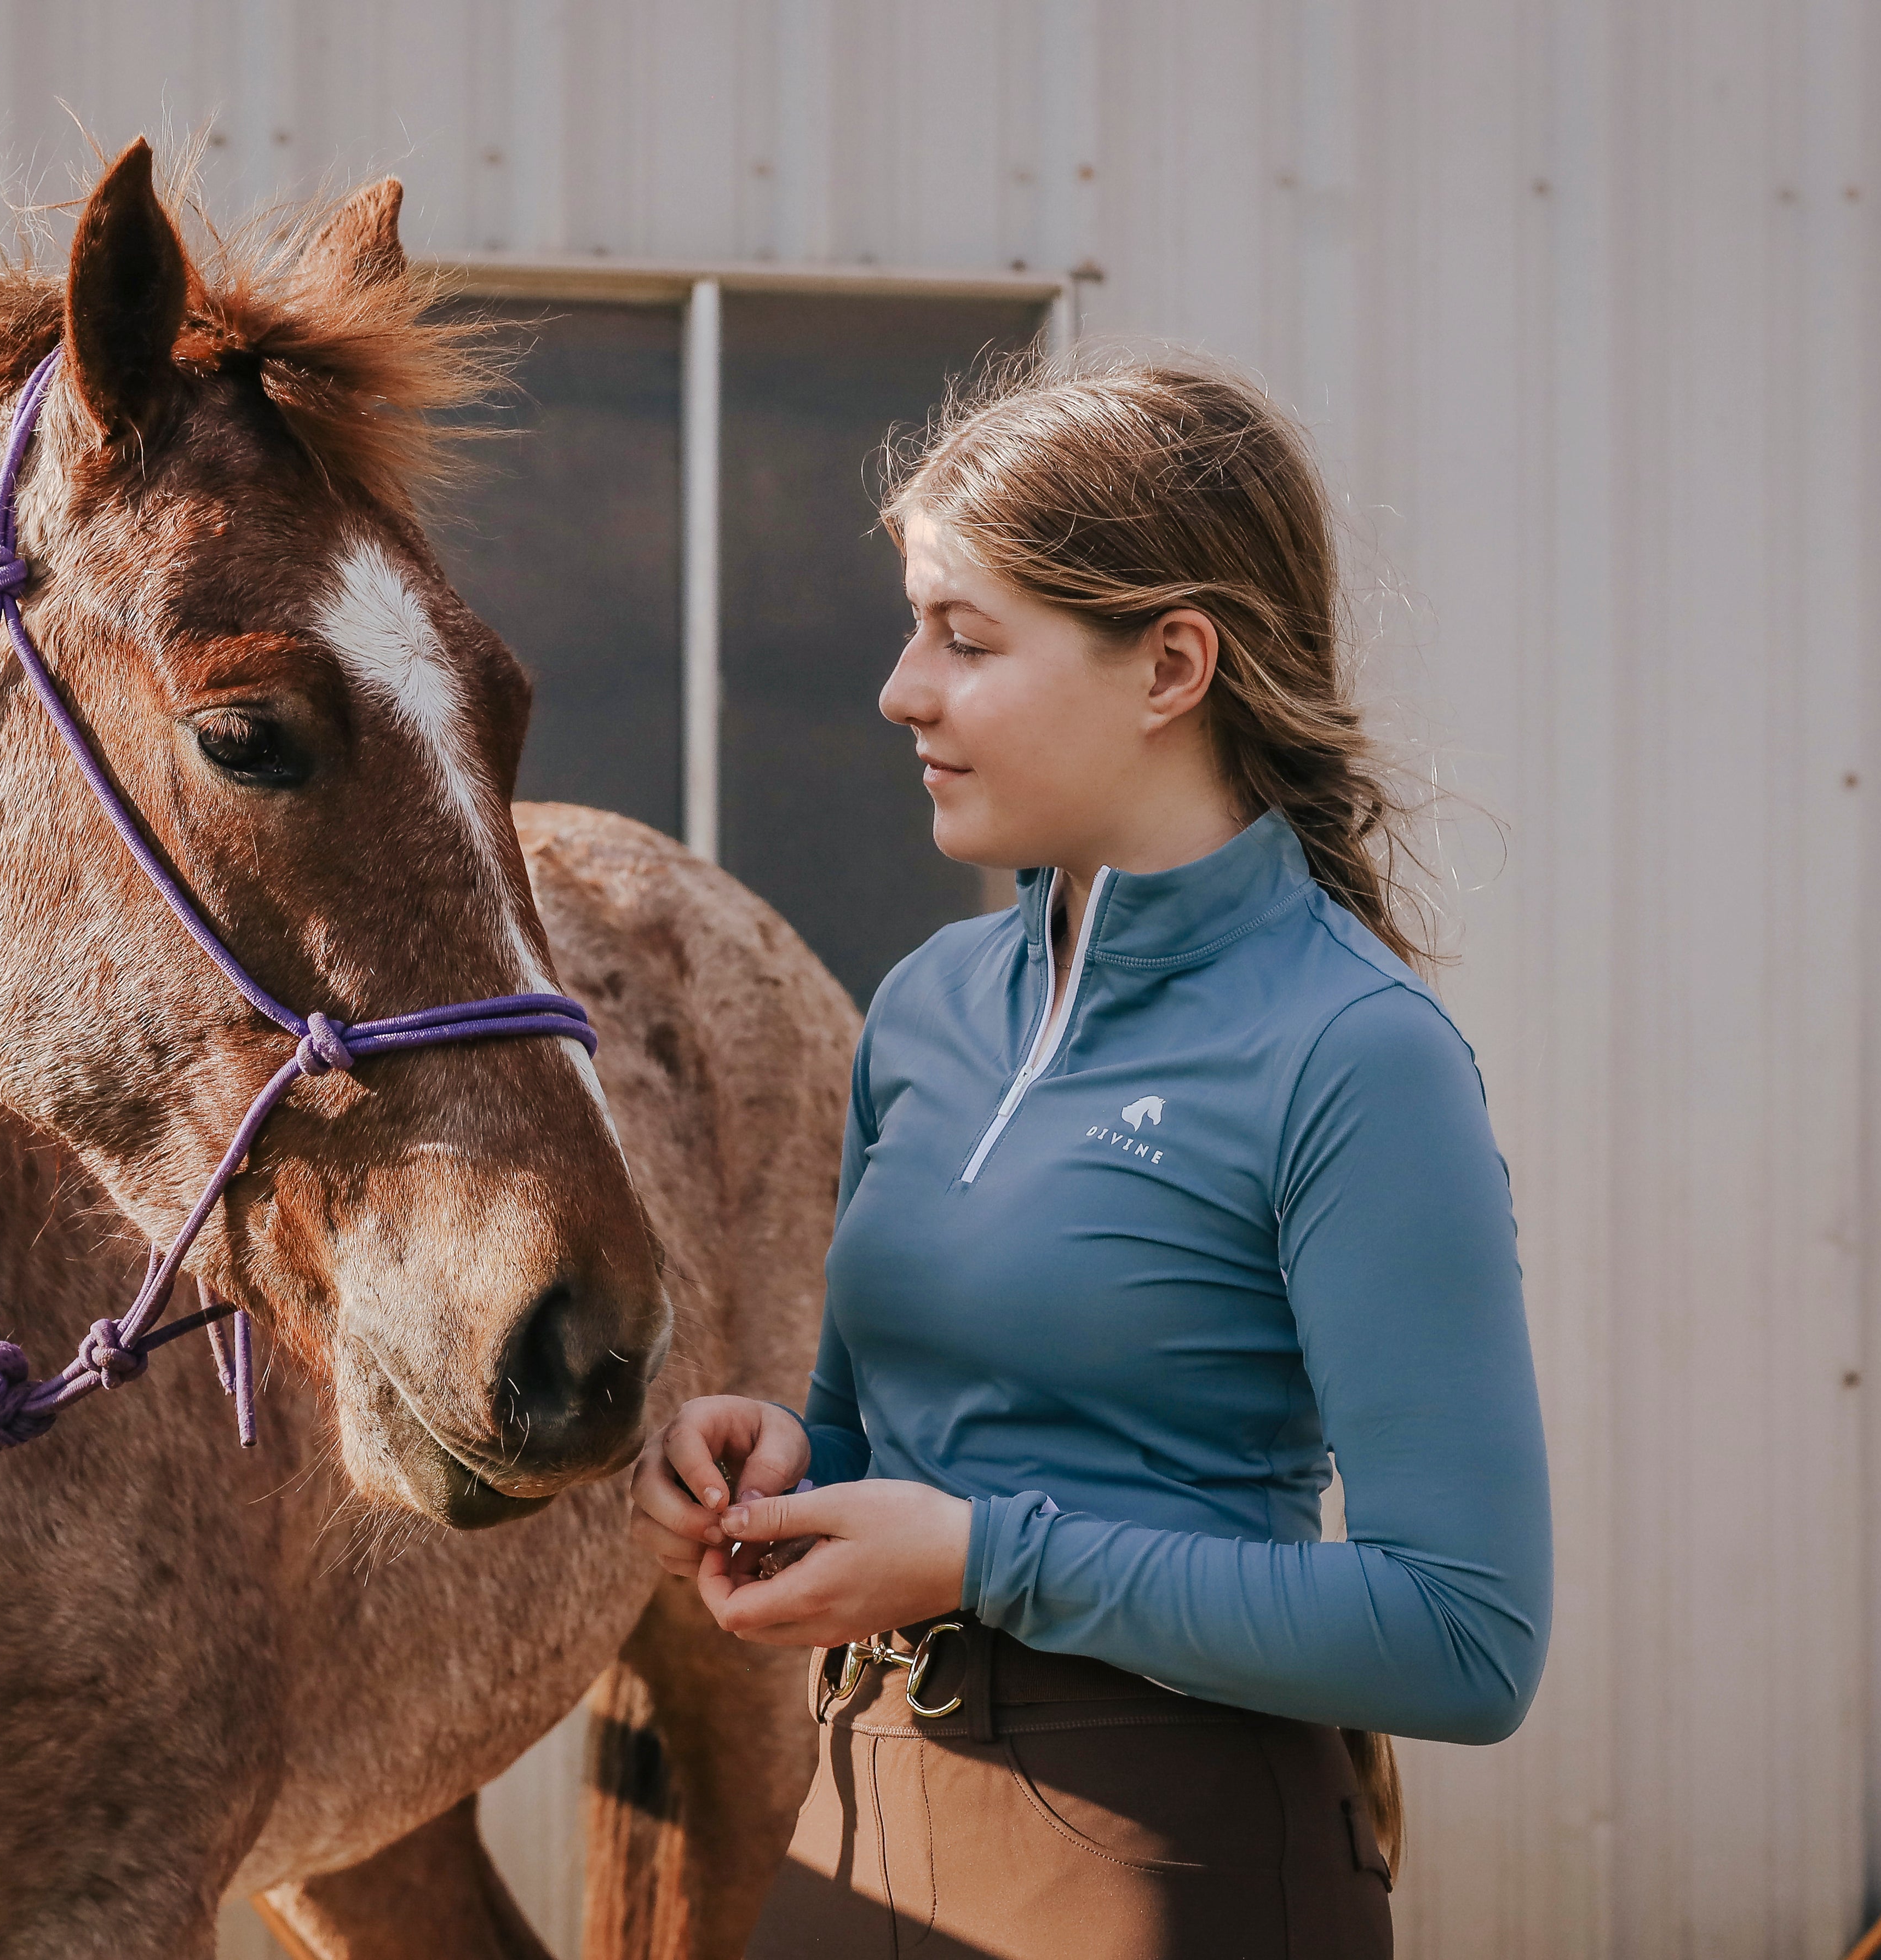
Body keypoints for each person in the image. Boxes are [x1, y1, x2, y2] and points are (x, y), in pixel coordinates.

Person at [630, 357, 1552, 1957]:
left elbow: (1465, 1635)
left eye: (965, 638)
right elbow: (874, 1445)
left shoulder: (1355, 1051)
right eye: (915, 628)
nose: (900, 691)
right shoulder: (926, 1006)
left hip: (1162, 1871)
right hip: (850, 1832)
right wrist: (773, 1472)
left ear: (1171, 665)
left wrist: (986, 1559)